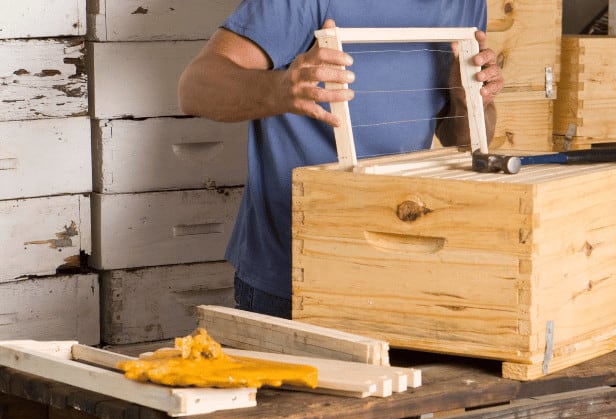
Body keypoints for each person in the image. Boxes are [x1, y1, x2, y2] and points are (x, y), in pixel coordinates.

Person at [178, 1, 503, 319]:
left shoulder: (468, 4)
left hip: (404, 269)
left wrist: (470, 98)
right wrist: (281, 89)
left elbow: (463, 139)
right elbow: (194, 88)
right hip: (293, 275)